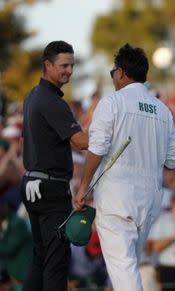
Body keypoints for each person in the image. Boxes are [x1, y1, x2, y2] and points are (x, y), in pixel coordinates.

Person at [73, 43, 175, 291]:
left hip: (116, 197)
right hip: (150, 199)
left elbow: (96, 148)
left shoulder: (112, 102)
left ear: (120, 72)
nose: (113, 77)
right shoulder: (164, 111)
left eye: (113, 72)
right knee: (129, 267)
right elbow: (173, 161)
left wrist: (82, 188)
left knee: (123, 269)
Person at [21, 40, 88, 291]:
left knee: (41, 258)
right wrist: (109, 136)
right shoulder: (52, 101)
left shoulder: (32, 97)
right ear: (47, 65)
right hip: (50, 189)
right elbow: (80, 142)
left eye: (71, 65)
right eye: (63, 65)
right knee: (56, 261)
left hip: (31, 183)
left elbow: (23, 142)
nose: (69, 70)